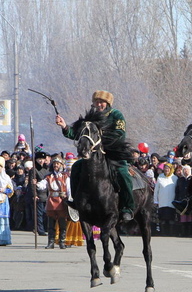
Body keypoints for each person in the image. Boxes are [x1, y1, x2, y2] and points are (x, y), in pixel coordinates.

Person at [55, 90, 135, 222]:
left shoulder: (116, 115)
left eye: (101, 102)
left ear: (107, 103)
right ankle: (75, 201)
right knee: (76, 167)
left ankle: (128, 207)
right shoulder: (90, 118)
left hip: (113, 153)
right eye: (96, 102)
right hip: (93, 156)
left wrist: (100, 140)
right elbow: (78, 134)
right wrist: (64, 127)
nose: (99, 104)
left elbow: (119, 134)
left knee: (123, 173)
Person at [37, 156, 71, 249]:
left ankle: (62, 242)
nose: (56, 165)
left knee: (62, 223)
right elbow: (42, 185)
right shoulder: (48, 176)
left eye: (58, 164)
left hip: (61, 201)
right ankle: (50, 242)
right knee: (51, 223)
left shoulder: (65, 177)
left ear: (61, 165)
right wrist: (37, 184)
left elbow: (69, 189)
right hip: (51, 200)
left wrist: (69, 198)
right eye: (55, 164)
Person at [154, 162, 178, 236]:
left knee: (171, 220)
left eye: (168, 168)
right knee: (162, 219)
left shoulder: (175, 178)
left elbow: (177, 190)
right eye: (165, 168)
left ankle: (171, 233)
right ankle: (163, 233)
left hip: (172, 202)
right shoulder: (160, 177)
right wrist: (155, 200)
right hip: (162, 202)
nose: (166, 170)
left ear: (171, 169)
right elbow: (156, 190)